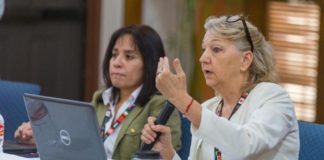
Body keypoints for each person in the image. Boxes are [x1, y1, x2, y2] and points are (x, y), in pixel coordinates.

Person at [141, 15, 300, 160]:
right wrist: (168, 153)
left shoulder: (274, 98)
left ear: (245, 60)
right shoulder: (208, 108)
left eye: (216, 49)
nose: (203, 58)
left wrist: (184, 102)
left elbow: (245, 146)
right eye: (204, 50)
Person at [14, 25, 182, 159]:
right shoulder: (101, 99)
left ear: (150, 64)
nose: (117, 62)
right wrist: (40, 139)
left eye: (129, 57)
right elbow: (74, 141)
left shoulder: (160, 105)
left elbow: (165, 155)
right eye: (114, 55)